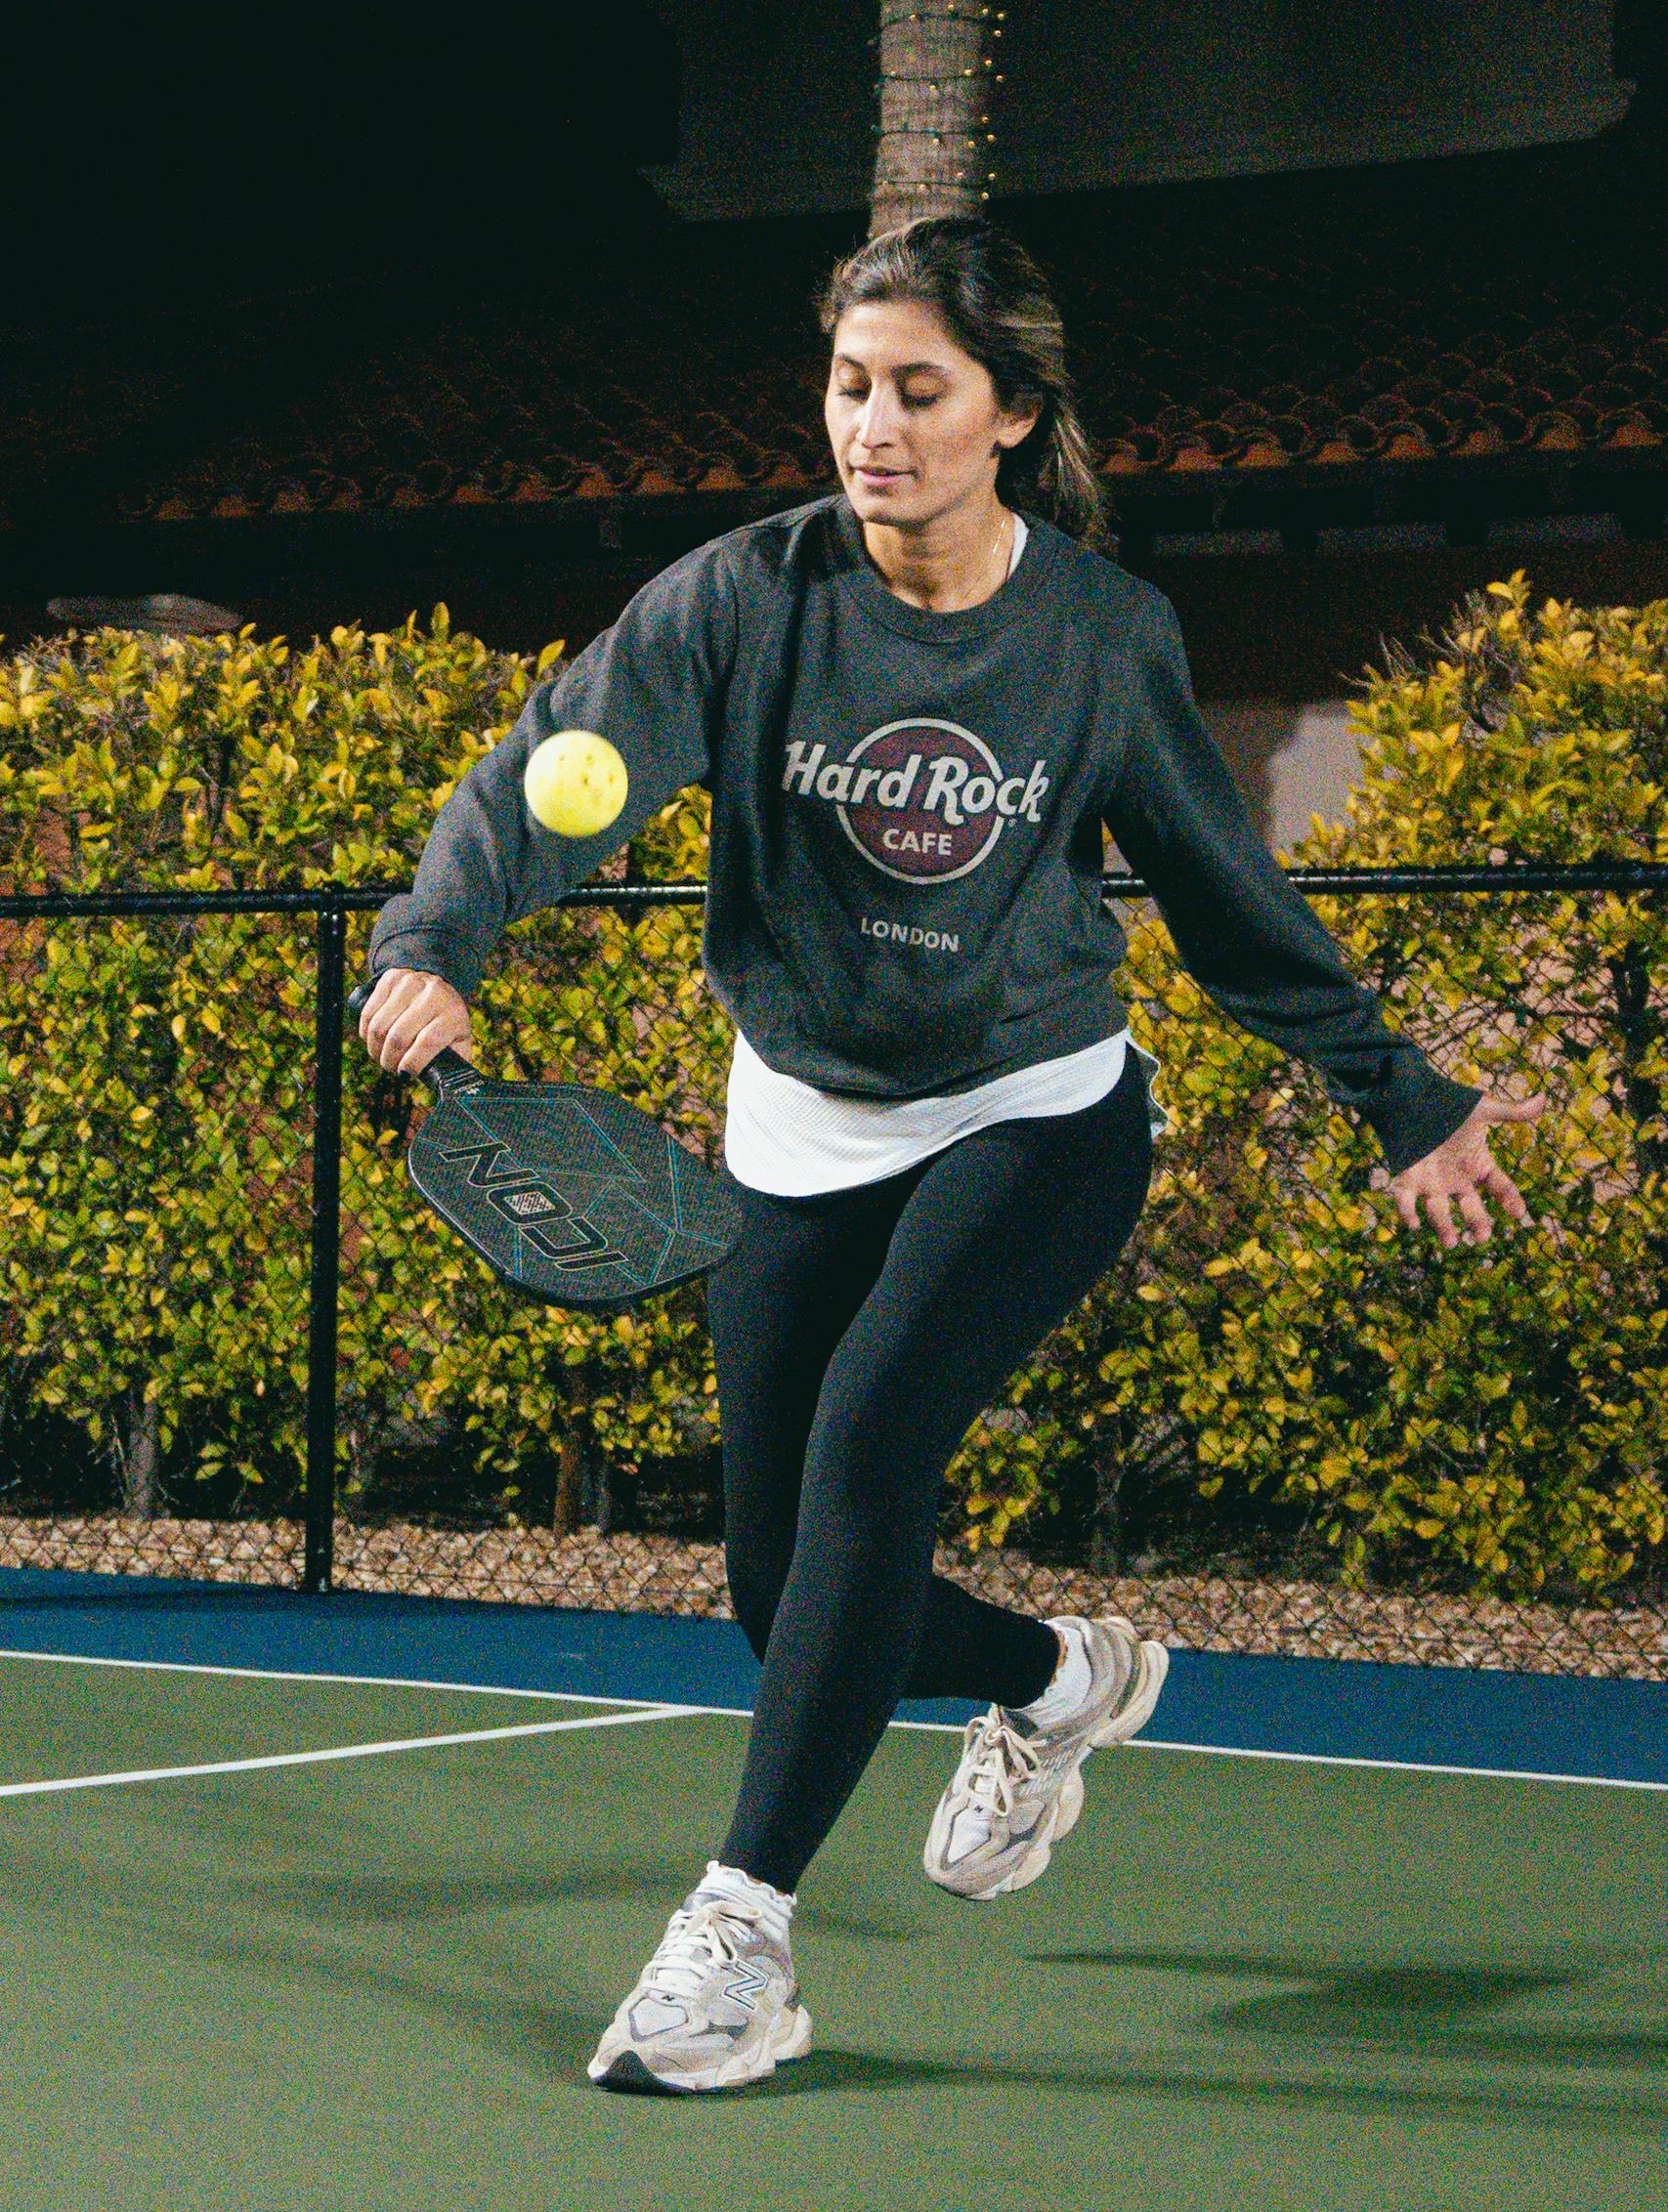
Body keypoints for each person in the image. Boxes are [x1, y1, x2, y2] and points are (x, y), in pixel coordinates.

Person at [359, 214, 1545, 2097]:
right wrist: (436, 939)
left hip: (1032, 1117)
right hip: (801, 1123)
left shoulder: (1094, 633)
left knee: (867, 1447)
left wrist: (1399, 1089)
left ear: (1009, 414)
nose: (874, 425)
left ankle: (736, 1939)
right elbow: (552, 768)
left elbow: (1223, 896)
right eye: (850, 384)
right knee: (778, 1591)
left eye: (920, 390)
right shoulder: (742, 600)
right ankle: (1061, 1680)